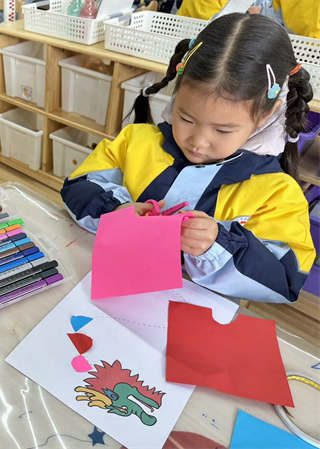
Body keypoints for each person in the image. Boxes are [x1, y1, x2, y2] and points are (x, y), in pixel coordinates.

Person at [61, 13, 316, 304]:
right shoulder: (135, 142)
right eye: (186, 118)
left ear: (266, 115)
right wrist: (115, 210)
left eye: (223, 130)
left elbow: (286, 281)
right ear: (177, 91)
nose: (198, 141)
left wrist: (216, 244)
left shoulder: (276, 193)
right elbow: (78, 185)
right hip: (103, 288)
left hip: (188, 311)